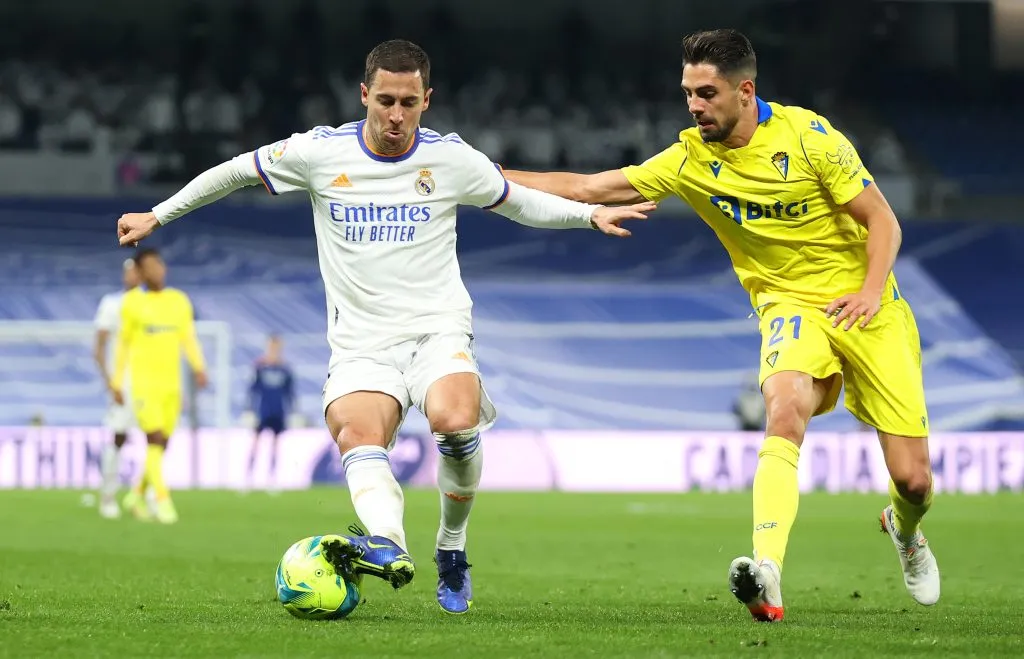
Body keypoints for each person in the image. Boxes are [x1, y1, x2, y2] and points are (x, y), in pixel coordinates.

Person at [115, 39, 653, 614]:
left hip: (436, 330)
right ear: (365, 94)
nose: (396, 115)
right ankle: (389, 544)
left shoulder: (450, 159)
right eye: (387, 101)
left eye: (410, 103)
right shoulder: (320, 152)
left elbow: (519, 202)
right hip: (361, 343)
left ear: (427, 100)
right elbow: (234, 172)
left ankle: (451, 544)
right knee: (357, 433)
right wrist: (159, 213)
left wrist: (589, 215)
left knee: (454, 422)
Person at [503, 28, 938, 622]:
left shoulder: (810, 138)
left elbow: (883, 221)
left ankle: (904, 529)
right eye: (687, 93)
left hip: (869, 307)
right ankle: (768, 572)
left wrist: (867, 290)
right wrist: (490, 177)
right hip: (789, 307)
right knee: (783, 409)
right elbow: (588, 187)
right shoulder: (689, 158)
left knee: (913, 481)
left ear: (745, 90)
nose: (694, 106)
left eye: (706, 93)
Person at [111, 248, 208, 524]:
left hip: (171, 386)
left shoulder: (178, 300)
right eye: (150, 266)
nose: (157, 270)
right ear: (140, 273)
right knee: (153, 439)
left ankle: (135, 494)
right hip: (144, 385)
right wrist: (117, 382)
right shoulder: (131, 303)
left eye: (159, 264)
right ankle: (163, 501)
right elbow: (122, 344)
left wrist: (199, 367)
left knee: (161, 445)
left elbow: (188, 337)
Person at [93, 257, 140, 519]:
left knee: (155, 439)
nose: (131, 276)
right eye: (129, 272)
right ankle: (108, 496)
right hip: (123, 383)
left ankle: (146, 496)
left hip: (150, 383)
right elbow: (98, 346)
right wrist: (110, 382)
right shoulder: (112, 304)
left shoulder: (151, 304)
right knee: (118, 436)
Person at [246, 334, 295, 491]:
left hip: (278, 410)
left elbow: (290, 393)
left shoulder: (285, 369)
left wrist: (292, 412)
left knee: (275, 445)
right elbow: (252, 390)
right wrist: (250, 410)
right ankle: (248, 479)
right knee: (255, 444)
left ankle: (272, 479)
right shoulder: (259, 367)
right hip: (262, 410)